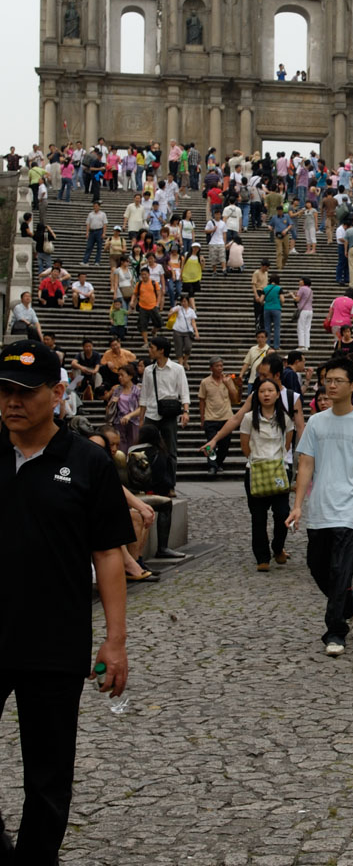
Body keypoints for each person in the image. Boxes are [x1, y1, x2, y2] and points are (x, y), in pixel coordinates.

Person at [0, 339, 133, 863]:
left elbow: (108, 554)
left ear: (58, 393)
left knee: (48, 772)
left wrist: (116, 641)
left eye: (26, 391)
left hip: (54, 639)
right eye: (4, 391)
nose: (12, 402)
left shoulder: (87, 462)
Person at [286, 356, 353, 656]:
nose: (330, 385)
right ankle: (352, 601)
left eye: (337, 381)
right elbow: (306, 464)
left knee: (341, 570)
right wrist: (298, 505)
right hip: (320, 507)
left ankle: (335, 631)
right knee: (316, 566)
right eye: (328, 380)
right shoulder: (316, 422)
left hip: (350, 509)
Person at [240, 378, 294, 571]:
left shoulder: (285, 418)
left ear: (277, 394)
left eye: (270, 390)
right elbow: (244, 445)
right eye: (262, 391)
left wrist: (274, 460)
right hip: (256, 470)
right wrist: (258, 460)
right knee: (258, 517)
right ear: (257, 395)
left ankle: (278, 547)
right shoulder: (249, 418)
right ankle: (262, 557)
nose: (266, 394)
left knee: (282, 513)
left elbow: (287, 444)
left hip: (278, 470)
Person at [137, 336, 190, 494]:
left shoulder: (177, 369)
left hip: (169, 413)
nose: (150, 350)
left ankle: (170, 485)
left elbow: (184, 391)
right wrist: (141, 418)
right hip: (151, 413)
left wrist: (185, 411)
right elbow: (144, 395)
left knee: (170, 450)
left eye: (152, 347)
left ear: (161, 350)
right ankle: (147, 483)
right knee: (146, 449)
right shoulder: (149, 370)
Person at [199, 356, 240, 477]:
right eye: (217, 366)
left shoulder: (228, 380)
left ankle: (218, 462)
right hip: (210, 417)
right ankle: (212, 466)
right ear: (211, 368)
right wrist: (202, 418)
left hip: (226, 417)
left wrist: (229, 385)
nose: (220, 368)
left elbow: (235, 399)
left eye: (221, 366)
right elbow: (202, 401)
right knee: (210, 444)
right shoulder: (205, 382)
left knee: (225, 445)